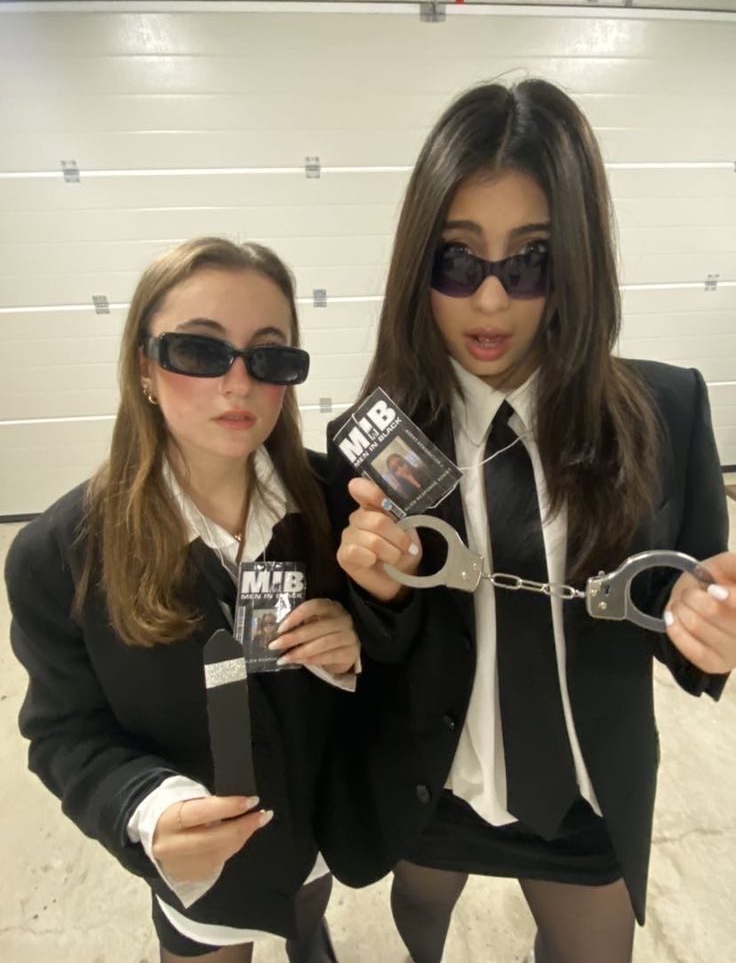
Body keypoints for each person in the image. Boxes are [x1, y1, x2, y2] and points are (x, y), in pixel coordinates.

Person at [324, 80, 736, 963]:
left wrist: (711, 633)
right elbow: (367, 653)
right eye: (459, 260)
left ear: (578, 261)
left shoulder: (667, 408)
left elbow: (681, 603)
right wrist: (379, 596)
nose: (490, 301)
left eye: (533, 260)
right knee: (421, 923)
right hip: (439, 783)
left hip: (581, 794)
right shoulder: (376, 436)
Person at [6, 237, 360, 962]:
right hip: (205, 876)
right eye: (200, 352)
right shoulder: (59, 556)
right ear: (144, 366)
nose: (239, 385)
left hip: (322, 825)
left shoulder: (338, 505)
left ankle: (304, 929)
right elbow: (63, 731)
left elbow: (415, 660)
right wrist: (146, 808)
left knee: (305, 902)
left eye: (269, 357)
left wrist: (365, 639)